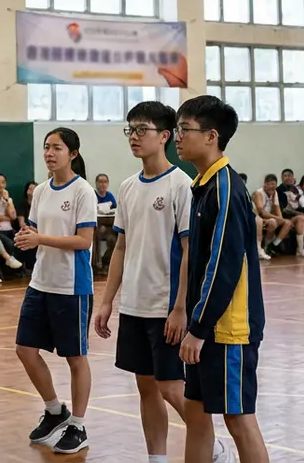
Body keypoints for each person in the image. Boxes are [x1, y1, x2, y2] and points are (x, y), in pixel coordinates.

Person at [92, 102, 232, 463]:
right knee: (146, 387)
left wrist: (180, 308)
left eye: (143, 130)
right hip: (134, 305)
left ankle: (214, 448)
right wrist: (107, 302)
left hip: (166, 306)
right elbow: (121, 247)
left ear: (165, 135)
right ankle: (157, 457)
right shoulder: (127, 187)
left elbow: (189, 252)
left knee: (171, 387)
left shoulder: (181, 185)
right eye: (131, 130)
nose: (134, 137)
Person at [174, 95, 269, 463]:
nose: (178, 137)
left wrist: (198, 328)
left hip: (229, 328)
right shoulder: (202, 184)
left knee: (238, 418)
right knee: (196, 412)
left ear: (211, 136)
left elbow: (223, 267)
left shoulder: (226, 188)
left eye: (185, 129)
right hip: (206, 325)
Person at [14, 127, 96, 455]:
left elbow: (84, 241)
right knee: (25, 349)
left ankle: (78, 425)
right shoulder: (41, 190)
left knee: (75, 357)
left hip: (71, 287)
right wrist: (26, 236)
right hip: (40, 283)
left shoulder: (83, 191)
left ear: (73, 154)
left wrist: (40, 239)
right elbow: (35, 229)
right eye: (46, 147)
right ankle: (54, 411)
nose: (49, 153)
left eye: (57, 148)